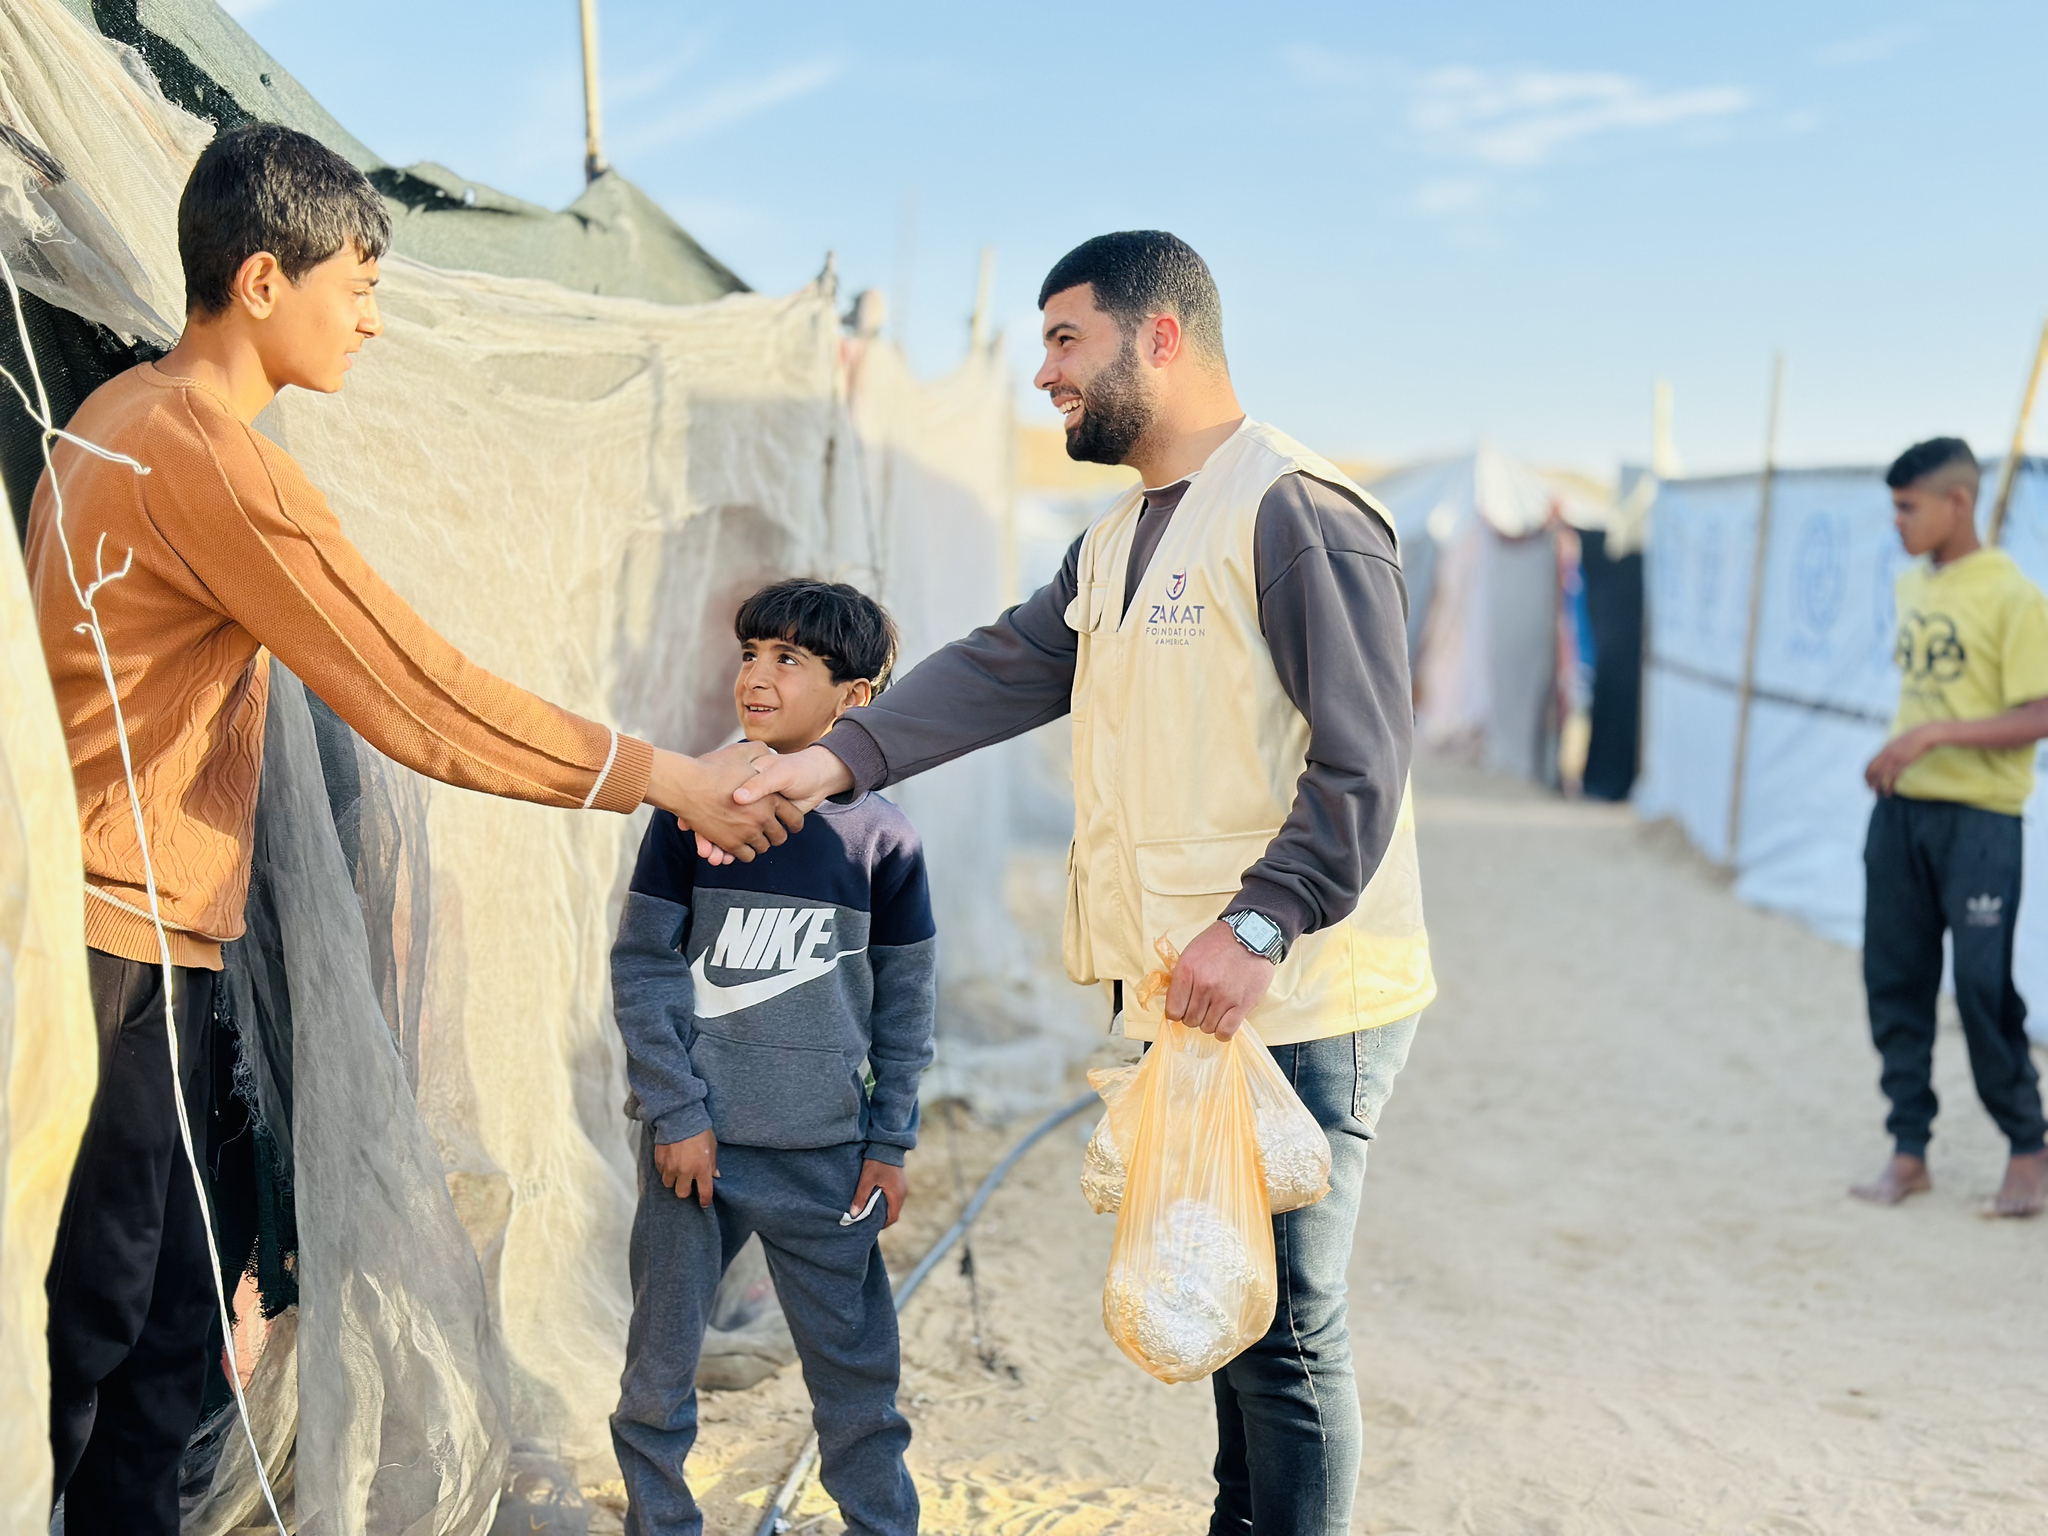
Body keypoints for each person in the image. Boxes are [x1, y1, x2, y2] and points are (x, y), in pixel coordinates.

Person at [23, 125, 798, 1534]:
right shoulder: (208, 459)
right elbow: (413, 689)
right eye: (358, 285)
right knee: (108, 1335)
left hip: (109, 936)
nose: (374, 319)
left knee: (162, 1324)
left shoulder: (114, 419)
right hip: (113, 942)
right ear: (262, 281)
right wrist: (666, 779)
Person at [737, 231, 1434, 1536]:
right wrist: (831, 761)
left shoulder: (1298, 510)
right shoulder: (1120, 540)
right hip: (1209, 990)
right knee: (1231, 1300)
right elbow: (1006, 665)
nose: (1043, 376)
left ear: (1160, 335)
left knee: (1284, 1326)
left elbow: (1364, 759)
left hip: (1306, 991)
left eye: (1066, 342)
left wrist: (1260, 920)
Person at [609, 578, 933, 1536]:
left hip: (825, 1157)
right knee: (658, 1370)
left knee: (858, 1380)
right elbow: (643, 968)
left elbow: (905, 1009)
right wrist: (678, 1115)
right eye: (751, 652)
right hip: (693, 1158)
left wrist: (892, 1140)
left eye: (789, 659)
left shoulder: (885, 842)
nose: (756, 675)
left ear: (855, 698)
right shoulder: (689, 812)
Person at [1855, 436, 2048, 1218]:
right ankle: (1909, 1151)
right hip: (1901, 818)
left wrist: (1932, 736)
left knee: (1978, 987)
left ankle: (2030, 1148)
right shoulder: (1913, 589)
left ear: (1958, 503)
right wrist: (1907, 748)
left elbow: (2041, 712)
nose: (1898, 522)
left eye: (1909, 507)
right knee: (1894, 980)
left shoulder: (2016, 597)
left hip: (1981, 824)